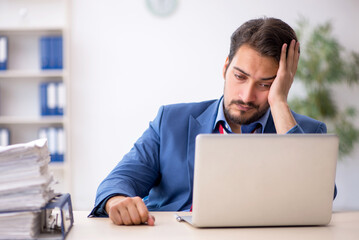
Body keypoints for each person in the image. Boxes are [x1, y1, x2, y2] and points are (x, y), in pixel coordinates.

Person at [90, 17, 335, 226]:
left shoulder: (307, 132)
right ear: (225, 68)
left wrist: (279, 103)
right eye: (240, 77)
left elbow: (316, 197)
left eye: (265, 85)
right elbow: (118, 180)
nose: (246, 96)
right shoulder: (171, 121)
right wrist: (118, 201)